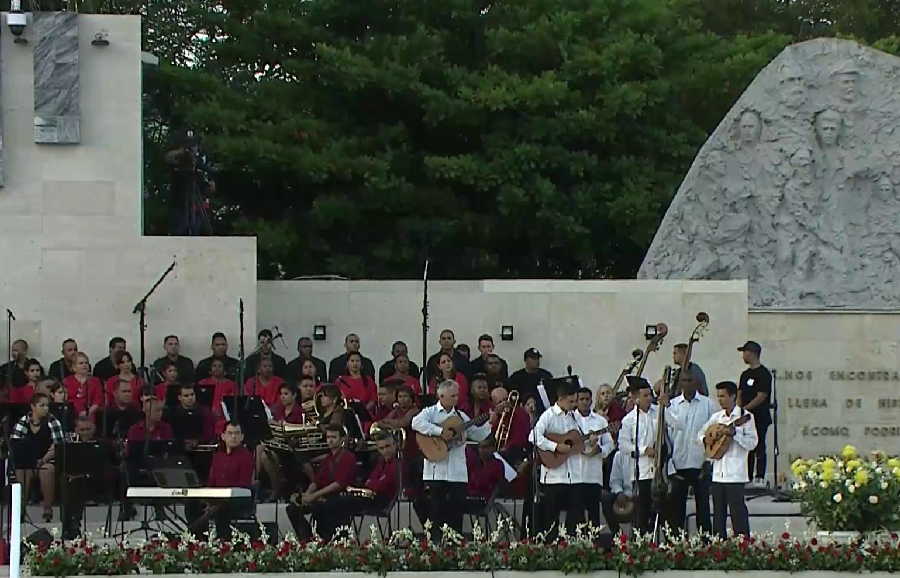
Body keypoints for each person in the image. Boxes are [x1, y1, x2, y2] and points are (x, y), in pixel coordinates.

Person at [411, 380, 491, 538]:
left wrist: (491, 423)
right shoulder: (430, 412)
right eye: (452, 395)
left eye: (457, 395)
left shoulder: (460, 416)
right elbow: (416, 422)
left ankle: (454, 548)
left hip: (457, 473)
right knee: (436, 513)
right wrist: (440, 431)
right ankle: (435, 547)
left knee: (455, 514)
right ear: (441, 396)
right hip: (435, 472)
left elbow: (477, 434)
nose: (456, 398)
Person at [619, 379, 680, 534]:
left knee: (667, 513)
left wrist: (667, 407)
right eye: (645, 395)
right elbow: (623, 445)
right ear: (635, 398)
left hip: (661, 471)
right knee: (642, 513)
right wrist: (644, 450)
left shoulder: (659, 412)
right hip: (641, 472)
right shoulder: (629, 420)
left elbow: (679, 425)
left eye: (650, 395)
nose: (649, 398)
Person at [699, 381, 758, 538]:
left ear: (733, 396)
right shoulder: (716, 417)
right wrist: (708, 440)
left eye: (723, 396)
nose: (720, 400)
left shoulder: (745, 417)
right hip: (718, 473)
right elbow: (700, 435)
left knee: (737, 513)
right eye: (718, 396)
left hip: (736, 473)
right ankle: (719, 547)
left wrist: (734, 434)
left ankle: (742, 545)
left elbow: (753, 443)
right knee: (718, 515)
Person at [286, 424, 358, 540]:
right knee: (292, 509)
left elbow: (339, 484)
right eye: (328, 437)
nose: (330, 440)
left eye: (333, 437)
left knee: (320, 506)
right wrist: (307, 495)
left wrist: (314, 496)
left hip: (340, 498)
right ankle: (308, 540)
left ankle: (321, 540)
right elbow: (316, 481)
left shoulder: (348, 457)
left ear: (342, 439)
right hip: (321, 497)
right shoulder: (327, 459)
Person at [666, 372, 717, 534]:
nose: (687, 384)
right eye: (684, 380)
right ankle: (678, 543)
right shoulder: (672, 405)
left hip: (700, 462)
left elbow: (713, 434)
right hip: (678, 462)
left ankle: (705, 543)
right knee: (676, 510)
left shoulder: (708, 404)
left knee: (703, 508)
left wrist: (709, 462)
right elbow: (666, 436)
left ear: (697, 382)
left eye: (690, 380)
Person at [533, 380, 584, 536]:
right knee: (551, 518)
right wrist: (555, 447)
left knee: (574, 516)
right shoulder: (548, 415)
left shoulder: (573, 417)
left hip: (572, 476)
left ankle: (571, 545)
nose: (574, 404)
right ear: (561, 398)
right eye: (571, 401)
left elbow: (577, 439)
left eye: (575, 401)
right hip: (553, 477)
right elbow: (533, 436)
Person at [10, 393, 65, 522]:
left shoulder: (53, 421)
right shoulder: (23, 421)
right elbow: (15, 443)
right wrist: (29, 459)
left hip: (47, 459)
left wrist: (43, 459)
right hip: (27, 460)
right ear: (33, 407)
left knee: (47, 470)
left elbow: (58, 445)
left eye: (47, 406)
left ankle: (47, 509)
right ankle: (21, 509)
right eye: (42, 405)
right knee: (22, 471)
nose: (46, 408)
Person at [574, 387, 615, 529]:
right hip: (575, 475)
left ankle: (594, 547)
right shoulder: (570, 419)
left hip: (593, 475)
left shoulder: (600, 421)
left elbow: (610, 444)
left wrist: (600, 449)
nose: (585, 402)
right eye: (581, 399)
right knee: (577, 517)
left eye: (587, 399)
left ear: (591, 400)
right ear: (576, 401)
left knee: (594, 516)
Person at [205, 422, 254, 539]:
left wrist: (219, 501)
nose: (233, 437)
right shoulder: (218, 456)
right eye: (230, 433)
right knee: (192, 505)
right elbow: (211, 481)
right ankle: (197, 540)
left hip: (237, 500)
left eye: (237, 433)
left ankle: (223, 542)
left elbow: (243, 484)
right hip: (216, 498)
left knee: (221, 510)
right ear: (223, 436)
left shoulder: (246, 456)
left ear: (242, 437)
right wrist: (208, 500)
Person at [737, 341, 772, 489]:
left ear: (752, 353)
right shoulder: (745, 374)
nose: (743, 355)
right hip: (745, 418)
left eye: (745, 352)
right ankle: (747, 475)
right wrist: (738, 410)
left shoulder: (764, 373)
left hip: (759, 416)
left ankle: (759, 476)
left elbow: (761, 396)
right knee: (747, 447)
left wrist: (746, 409)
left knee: (759, 446)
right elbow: (739, 393)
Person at [490, 386, 531, 466]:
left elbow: (520, 438)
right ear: (494, 404)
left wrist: (506, 448)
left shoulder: (520, 413)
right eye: (500, 402)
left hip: (516, 453)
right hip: (497, 453)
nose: (504, 404)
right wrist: (493, 422)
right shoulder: (495, 416)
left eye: (506, 399)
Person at [464, 435, 505, 512]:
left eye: (485, 447)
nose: (482, 450)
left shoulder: (498, 464)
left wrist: (489, 505)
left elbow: (498, 486)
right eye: (480, 447)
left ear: (493, 448)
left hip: (486, 502)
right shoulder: (473, 462)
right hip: (468, 500)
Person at [168, 384, 215, 449]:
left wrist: (198, 441)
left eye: (192, 394)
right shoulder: (173, 413)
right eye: (186, 396)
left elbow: (209, 434)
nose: (190, 398)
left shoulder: (205, 411)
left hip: (201, 447)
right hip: (178, 448)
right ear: (179, 398)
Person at [508, 348, 553, 413]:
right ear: (525, 360)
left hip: (544, 409)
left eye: (537, 358)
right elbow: (513, 396)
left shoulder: (546, 375)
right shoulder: (516, 377)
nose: (536, 361)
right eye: (533, 358)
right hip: (523, 410)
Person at [604, 449, 635, 537]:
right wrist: (619, 492)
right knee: (605, 497)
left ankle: (639, 538)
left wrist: (632, 495)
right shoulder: (619, 455)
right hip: (623, 493)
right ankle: (618, 537)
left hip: (639, 494)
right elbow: (614, 480)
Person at [63, 352, 104, 417]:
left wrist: (87, 413)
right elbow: (65, 400)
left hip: (91, 415)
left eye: (86, 363)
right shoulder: (67, 381)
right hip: (71, 415)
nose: (84, 365)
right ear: (74, 367)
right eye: (81, 363)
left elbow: (98, 401)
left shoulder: (95, 381)